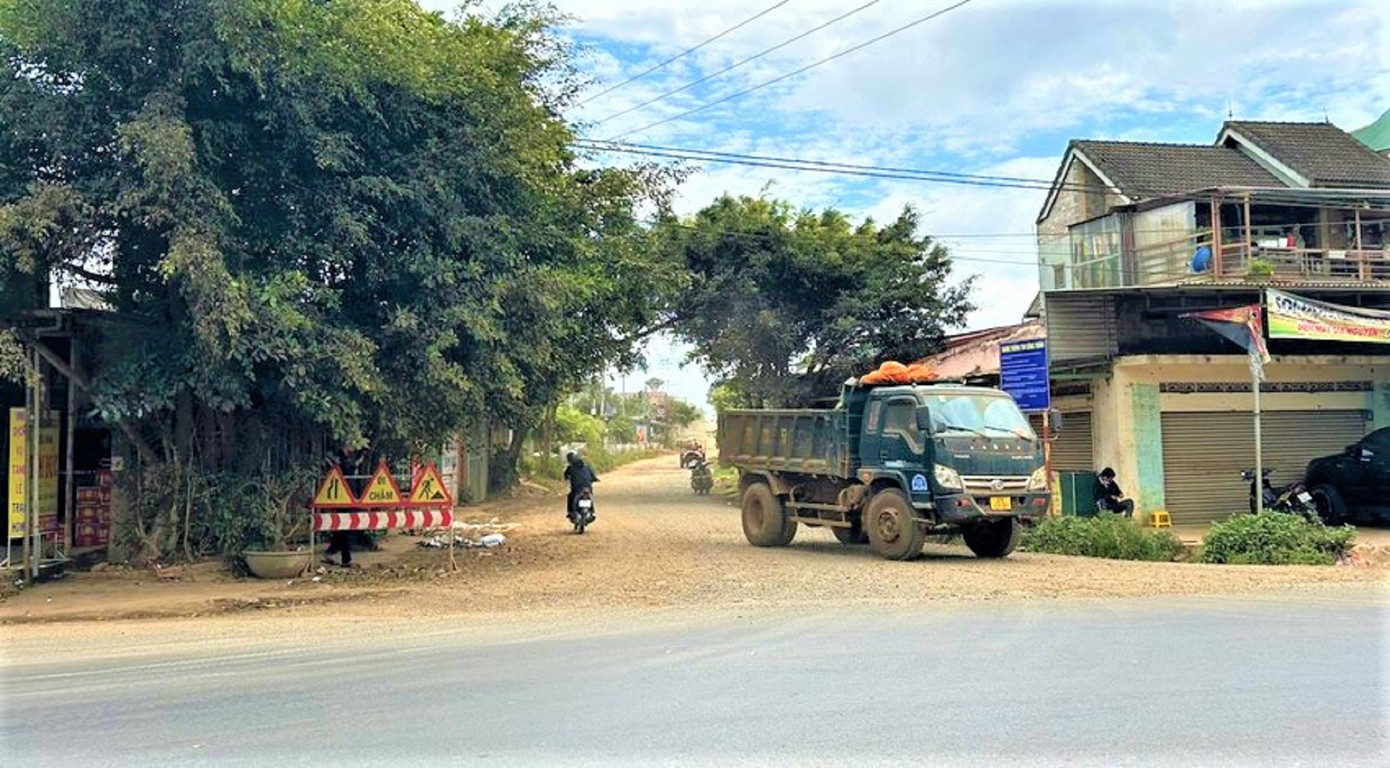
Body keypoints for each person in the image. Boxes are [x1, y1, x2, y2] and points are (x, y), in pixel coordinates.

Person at [562, 451, 599, 521]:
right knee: (590, 497)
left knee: (570, 496)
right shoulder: (587, 468)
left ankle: (571, 512)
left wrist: (568, 479)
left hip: (577, 489)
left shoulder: (570, 468)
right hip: (588, 488)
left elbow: (566, 476)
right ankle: (591, 511)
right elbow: (593, 477)